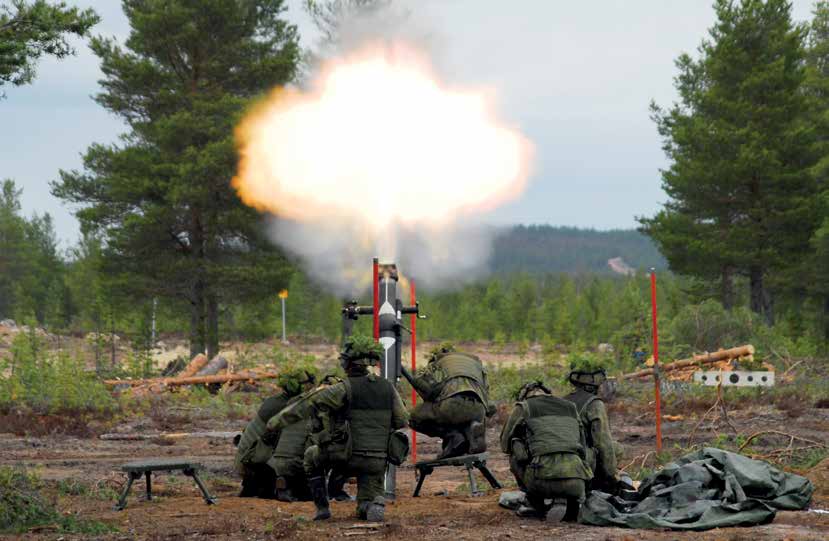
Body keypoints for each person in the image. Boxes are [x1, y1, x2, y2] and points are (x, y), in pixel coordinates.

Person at [264, 335, 409, 522]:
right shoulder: (388, 388)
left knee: (310, 456)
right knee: (366, 500)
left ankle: (322, 509)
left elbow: (308, 404)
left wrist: (274, 423)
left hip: (345, 455)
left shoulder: (343, 388)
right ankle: (371, 504)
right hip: (377, 460)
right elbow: (402, 420)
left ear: (348, 364)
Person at [499, 381, 592, 521]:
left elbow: (505, 445)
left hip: (541, 481)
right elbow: (583, 446)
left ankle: (535, 504)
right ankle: (573, 505)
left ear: (524, 396)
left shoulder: (524, 406)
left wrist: (523, 441)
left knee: (515, 449)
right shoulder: (570, 407)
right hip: (577, 480)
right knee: (579, 453)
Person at [234, 364, 318, 499]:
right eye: (307, 383)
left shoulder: (273, 401)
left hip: (249, 464)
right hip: (260, 465)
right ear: (299, 386)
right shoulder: (292, 406)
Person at [402, 343, 495, 459]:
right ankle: (470, 431)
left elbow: (429, 390)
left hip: (452, 405)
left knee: (414, 417)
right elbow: (490, 405)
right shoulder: (476, 364)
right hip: (478, 409)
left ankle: (452, 435)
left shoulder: (439, 362)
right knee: (464, 417)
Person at [564, 358, 619, 494]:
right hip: (581, 459)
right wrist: (611, 477)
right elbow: (602, 443)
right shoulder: (594, 404)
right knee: (617, 449)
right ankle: (597, 484)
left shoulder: (562, 401)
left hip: (556, 460)